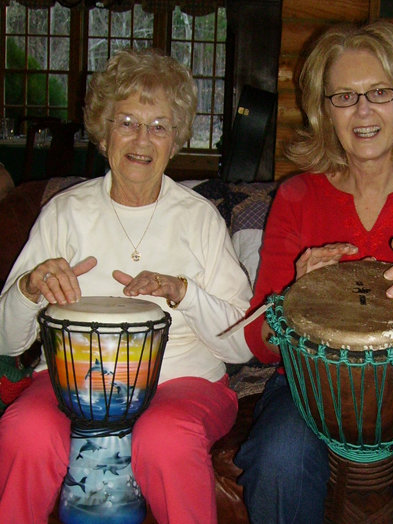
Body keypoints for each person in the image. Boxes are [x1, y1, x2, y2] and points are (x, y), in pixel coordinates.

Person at [234, 21, 393, 524]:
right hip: (308, 386)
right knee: (278, 459)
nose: (363, 111)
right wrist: (291, 292)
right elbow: (262, 342)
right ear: (323, 109)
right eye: (344, 96)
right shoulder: (298, 197)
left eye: (380, 91)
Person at [0, 48, 252, 523]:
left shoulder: (198, 218)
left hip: (182, 379)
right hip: (72, 380)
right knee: (25, 430)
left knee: (166, 438)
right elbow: (6, 339)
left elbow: (240, 344)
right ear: (102, 133)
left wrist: (183, 291)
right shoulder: (65, 212)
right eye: (127, 121)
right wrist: (31, 288)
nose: (142, 138)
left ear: (175, 140)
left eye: (159, 126)